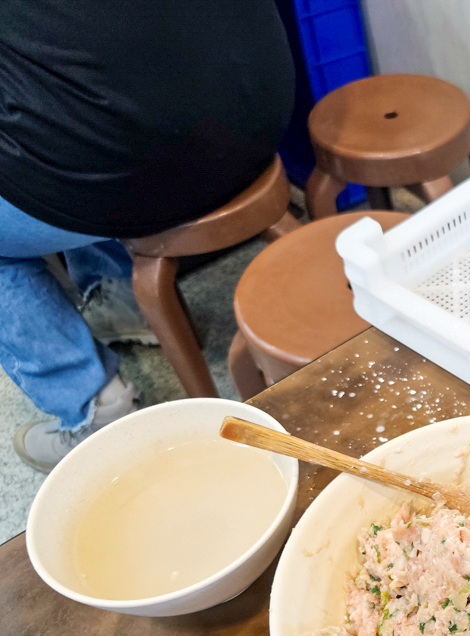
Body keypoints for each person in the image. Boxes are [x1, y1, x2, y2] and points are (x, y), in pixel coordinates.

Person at [0, 0, 295, 471]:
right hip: (261, 104)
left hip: (139, 164)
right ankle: (120, 299)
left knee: (59, 115)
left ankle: (95, 408)